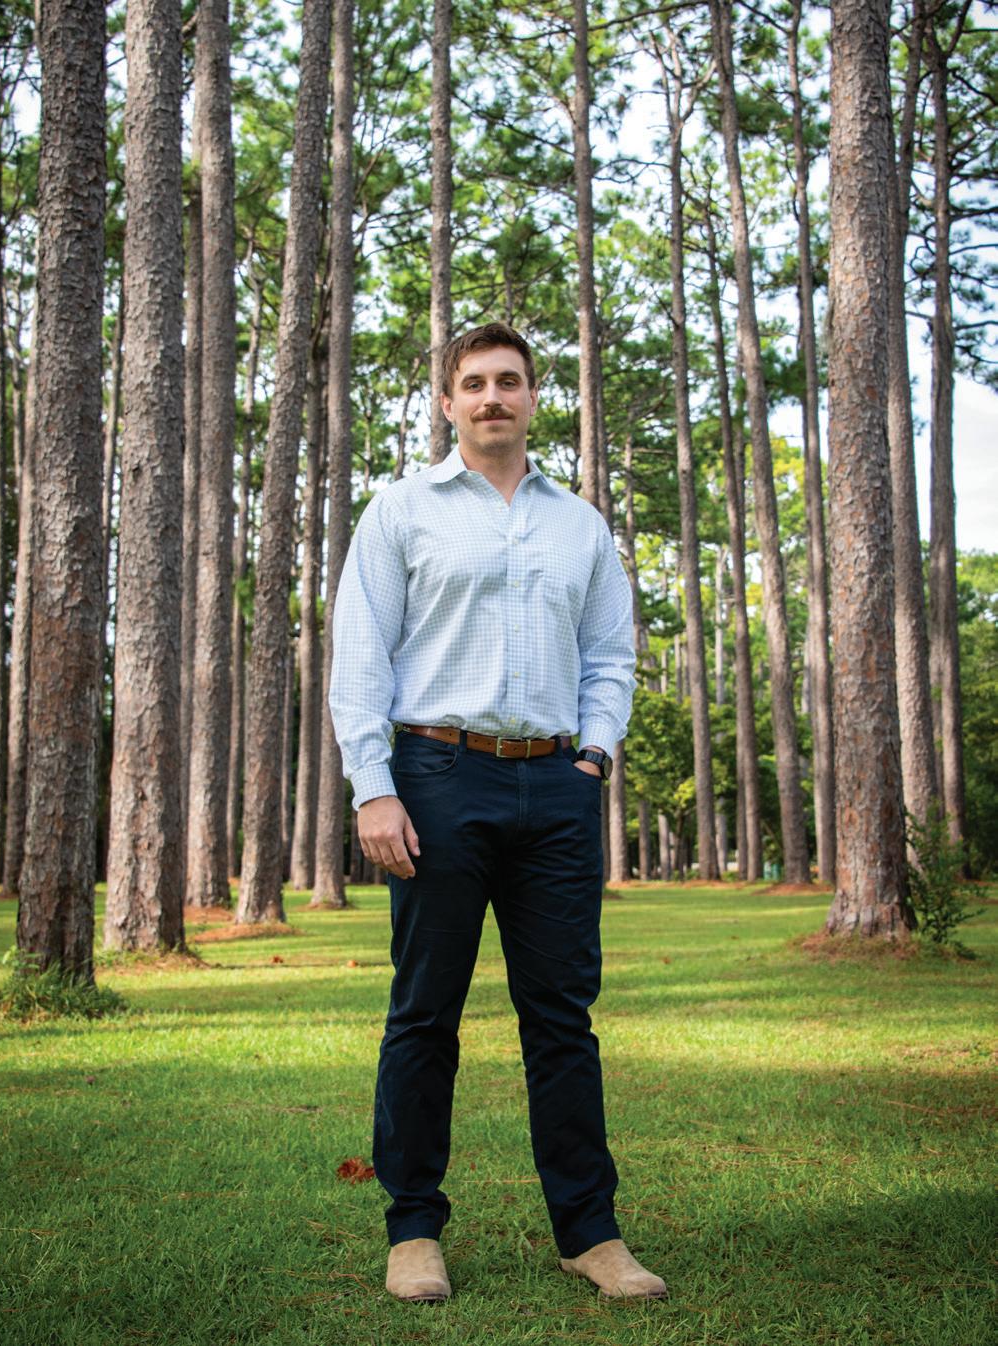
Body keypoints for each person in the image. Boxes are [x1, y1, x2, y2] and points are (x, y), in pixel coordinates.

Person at [329, 322, 667, 1303]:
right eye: (472, 382)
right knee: (424, 1012)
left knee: (561, 1018)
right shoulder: (401, 511)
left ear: (531, 397)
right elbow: (361, 654)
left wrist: (593, 755)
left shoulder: (578, 524)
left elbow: (610, 654)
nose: (491, 397)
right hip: (437, 777)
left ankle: (590, 1233)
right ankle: (413, 1229)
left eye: (508, 381)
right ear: (447, 402)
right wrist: (373, 785)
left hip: (556, 785)